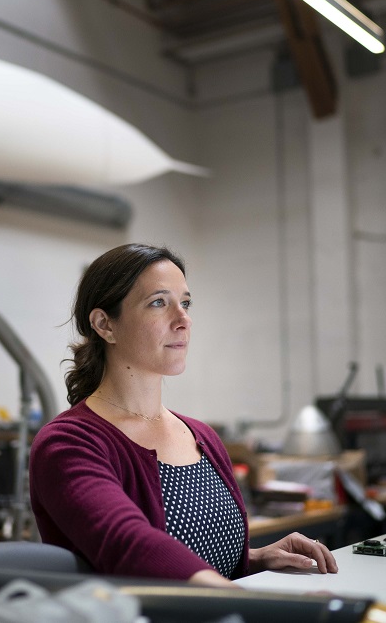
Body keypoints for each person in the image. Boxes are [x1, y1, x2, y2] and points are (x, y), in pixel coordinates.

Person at [29, 243, 338, 587]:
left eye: (186, 303)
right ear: (105, 325)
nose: (183, 319)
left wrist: (254, 557)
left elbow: (192, 558)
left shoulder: (200, 436)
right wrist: (253, 605)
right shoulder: (68, 443)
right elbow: (127, 546)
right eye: (159, 303)